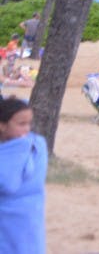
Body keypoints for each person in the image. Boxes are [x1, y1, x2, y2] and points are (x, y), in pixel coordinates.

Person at [0, 97, 47, 254]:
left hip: (28, 220)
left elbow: (8, 183)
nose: (27, 129)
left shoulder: (37, 146)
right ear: (2, 125)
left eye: (29, 123)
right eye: (21, 124)